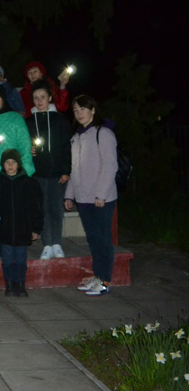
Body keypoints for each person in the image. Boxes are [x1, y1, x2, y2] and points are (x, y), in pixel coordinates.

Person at [65, 95, 118, 297]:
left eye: (83, 109)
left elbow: (110, 165)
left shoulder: (103, 134)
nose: (79, 114)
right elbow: (75, 169)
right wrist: (70, 195)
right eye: (76, 110)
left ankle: (104, 280)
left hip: (100, 198)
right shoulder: (77, 136)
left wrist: (101, 194)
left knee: (103, 239)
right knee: (93, 239)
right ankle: (97, 276)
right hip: (83, 198)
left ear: (93, 110)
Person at [0, 149, 44, 298]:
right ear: (2, 164)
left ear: (19, 164)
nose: (10, 165)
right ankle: (9, 285)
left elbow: (37, 207)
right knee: (7, 259)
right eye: (7, 162)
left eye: (13, 162)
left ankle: (20, 284)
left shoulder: (30, 184)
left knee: (20, 259)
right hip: (4, 230)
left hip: (23, 229)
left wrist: (36, 228)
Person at [25, 80, 72, 260]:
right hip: (37, 173)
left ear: (50, 98)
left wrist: (66, 170)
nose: (39, 101)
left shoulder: (60, 120)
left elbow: (67, 147)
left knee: (55, 208)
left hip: (57, 173)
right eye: (36, 98)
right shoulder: (29, 121)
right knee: (42, 208)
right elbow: (22, 144)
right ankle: (47, 243)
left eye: (43, 97)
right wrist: (28, 149)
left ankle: (57, 243)